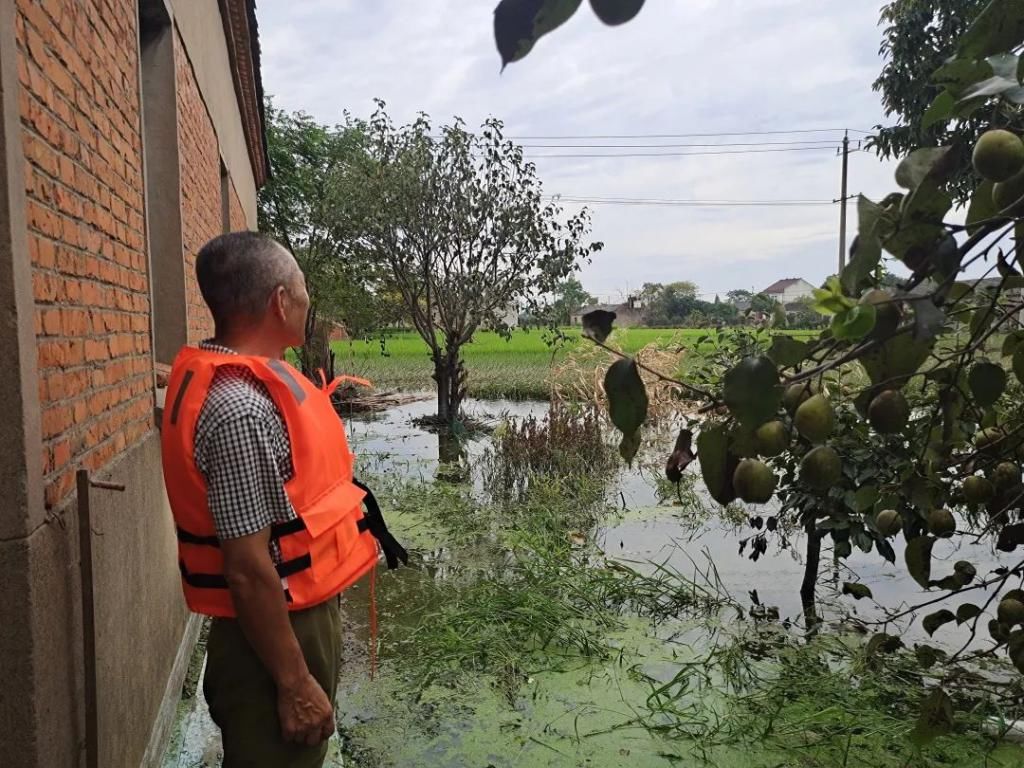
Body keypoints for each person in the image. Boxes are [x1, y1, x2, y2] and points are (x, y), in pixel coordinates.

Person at [160, 231, 405, 767]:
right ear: (279, 300)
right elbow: (248, 569)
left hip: (291, 615)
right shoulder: (239, 409)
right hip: (274, 634)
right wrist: (295, 683)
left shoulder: (256, 385)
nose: (307, 300)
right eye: (302, 288)